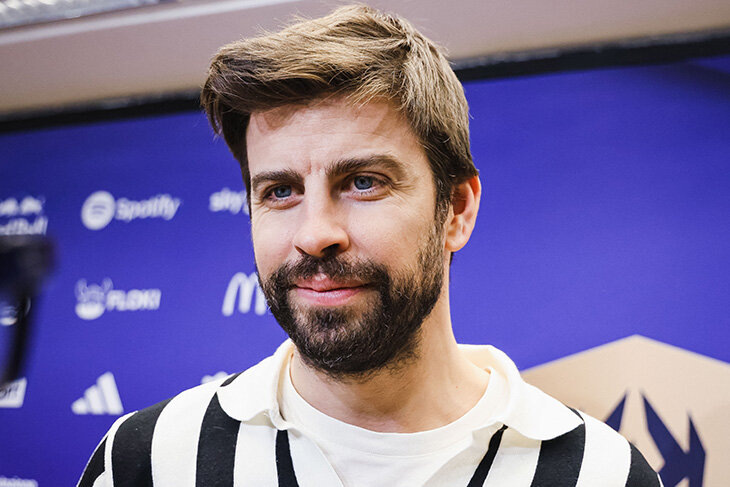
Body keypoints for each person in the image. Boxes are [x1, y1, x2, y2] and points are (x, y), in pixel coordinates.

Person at [78, 5, 662, 486]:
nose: (314, 234)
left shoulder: (603, 474)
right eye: (280, 191)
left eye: (363, 182)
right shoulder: (147, 460)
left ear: (456, 209)